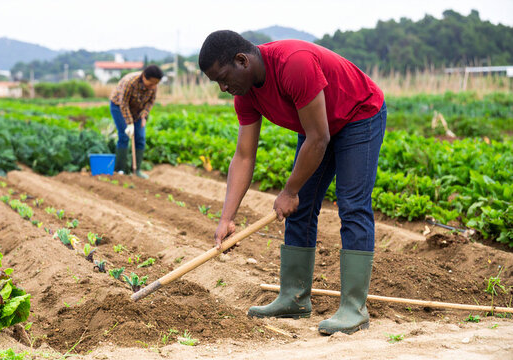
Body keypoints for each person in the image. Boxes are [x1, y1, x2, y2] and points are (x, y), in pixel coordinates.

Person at [199, 30, 386, 335]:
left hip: (357, 115)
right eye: (216, 83)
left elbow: (319, 138)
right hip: (317, 127)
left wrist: (289, 191)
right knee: (299, 208)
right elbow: (244, 156)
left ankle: (354, 308)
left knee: (352, 205)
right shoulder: (244, 94)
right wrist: (226, 218)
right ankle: (294, 297)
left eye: (223, 78)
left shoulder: (293, 64)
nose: (222, 88)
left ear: (242, 60)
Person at [109, 65, 164, 178]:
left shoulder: (154, 86)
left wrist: (144, 115)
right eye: (151, 83)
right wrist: (129, 123)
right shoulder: (130, 82)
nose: (153, 86)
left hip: (138, 110)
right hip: (118, 106)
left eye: (155, 84)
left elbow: (150, 102)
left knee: (140, 138)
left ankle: (136, 170)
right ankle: (120, 170)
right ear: (144, 77)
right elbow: (123, 104)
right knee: (124, 136)